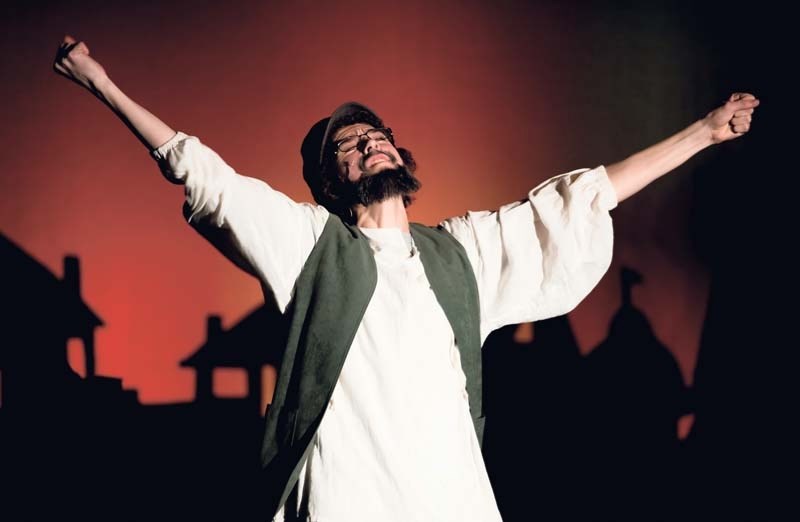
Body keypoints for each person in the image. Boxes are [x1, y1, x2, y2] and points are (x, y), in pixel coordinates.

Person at [53, 35, 758, 521]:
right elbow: (204, 174)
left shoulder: (462, 254)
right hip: (345, 503)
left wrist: (703, 131)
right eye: (350, 143)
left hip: (453, 503)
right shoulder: (310, 245)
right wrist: (102, 83)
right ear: (335, 178)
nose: (370, 139)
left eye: (376, 131)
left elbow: (579, 199)